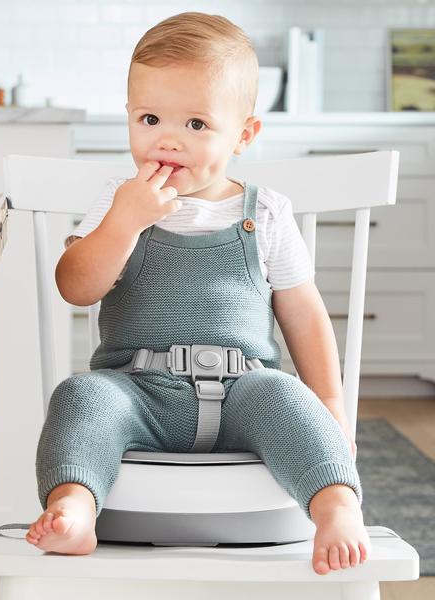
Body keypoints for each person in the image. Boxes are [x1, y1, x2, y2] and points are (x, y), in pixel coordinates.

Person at [25, 12, 371, 575]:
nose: (167, 138)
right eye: (150, 117)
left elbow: (304, 314)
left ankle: (336, 507)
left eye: (196, 124)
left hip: (243, 389)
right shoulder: (118, 200)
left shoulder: (266, 212)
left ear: (244, 134)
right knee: (81, 400)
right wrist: (123, 224)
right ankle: (75, 506)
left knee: (291, 402)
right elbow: (76, 287)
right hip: (133, 388)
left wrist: (329, 403)